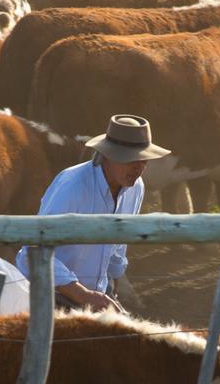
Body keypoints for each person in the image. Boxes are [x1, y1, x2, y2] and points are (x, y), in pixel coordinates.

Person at [16, 114, 170, 312]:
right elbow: (34, 252)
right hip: (48, 293)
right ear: (107, 156)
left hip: (94, 295)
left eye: (143, 160)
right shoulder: (73, 185)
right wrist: (83, 295)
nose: (138, 167)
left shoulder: (135, 187)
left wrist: (114, 284)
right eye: (130, 159)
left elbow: (118, 244)